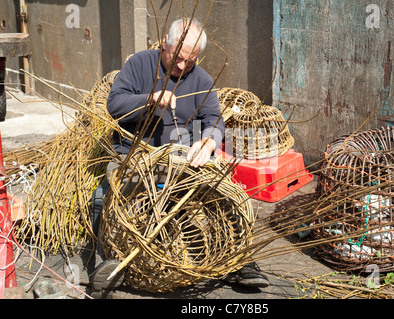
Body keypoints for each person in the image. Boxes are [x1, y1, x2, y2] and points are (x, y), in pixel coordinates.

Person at [89, 18, 269, 298]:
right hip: (135, 157)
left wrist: (209, 140)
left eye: (191, 60)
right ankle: (108, 264)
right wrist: (150, 99)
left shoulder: (202, 80)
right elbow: (115, 104)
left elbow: (214, 119)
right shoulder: (139, 64)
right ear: (165, 43)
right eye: (178, 57)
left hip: (180, 159)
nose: (182, 66)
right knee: (103, 197)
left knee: (226, 192)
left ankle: (239, 261)